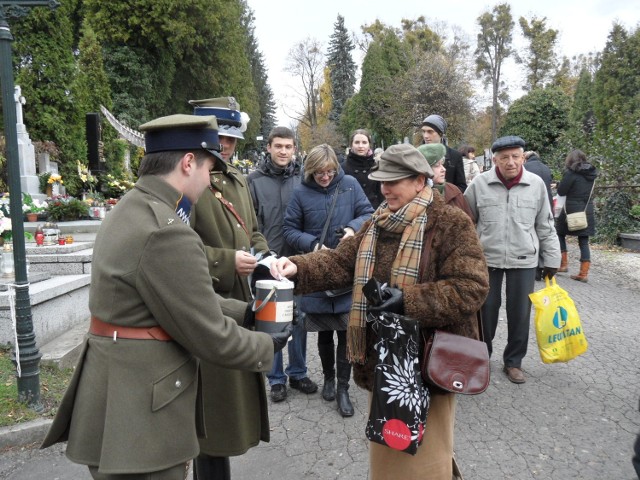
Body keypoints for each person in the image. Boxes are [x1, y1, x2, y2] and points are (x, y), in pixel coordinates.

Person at [40, 114, 292, 480]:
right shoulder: (166, 230)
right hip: (144, 415)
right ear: (188, 162)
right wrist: (268, 346)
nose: (210, 180)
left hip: (116, 395)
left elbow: (171, 297)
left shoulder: (132, 208)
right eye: (209, 168)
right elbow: (207, 333)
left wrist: (246, 313)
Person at [272, 143, 489, 478]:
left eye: (393, 181)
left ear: (420, 181)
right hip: (383, 362)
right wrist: (296, 268)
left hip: (427, 366)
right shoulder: (377, 222)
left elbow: (471, 287)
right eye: (381, 181)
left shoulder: (450, 223)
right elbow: (340, 262)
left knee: (428, 458)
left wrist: (408, 300)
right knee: (390, 453)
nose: (384, 188)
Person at [188, 97, 272, 479]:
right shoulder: (189, 180)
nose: (226, 147)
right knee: (213, 412)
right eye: (220, 138)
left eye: (232, 141)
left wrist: (266, 258)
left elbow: (251, 230)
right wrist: (225, 260)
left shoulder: (237, 180)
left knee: (232, 405)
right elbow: (173, 249)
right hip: (207, 302)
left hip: (240, 298)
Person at [283, 144, 374, 417]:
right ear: (310, 171)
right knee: (324, 331)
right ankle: (329, 379)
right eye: (319, 172)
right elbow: (289, 229)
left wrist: (351, 229)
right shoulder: (300, 192)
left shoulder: (349, 184)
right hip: (318, 270)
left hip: (346, 268)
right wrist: (313, 245)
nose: (325, 177)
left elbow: (368, 213)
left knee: (346, 331)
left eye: (329, 171)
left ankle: (344, 387)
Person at [464, 135, 561, 384]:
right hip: (487, 259)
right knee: (486, 311)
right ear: (494, 159)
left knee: (520, 313)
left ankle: (514, 362)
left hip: (524, 259)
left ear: (523, 157)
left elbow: (546, 224)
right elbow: (465, 222)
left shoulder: (536, 184)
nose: (510, 162)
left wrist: (552, 258)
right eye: (504, 157)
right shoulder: (479, 184)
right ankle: (481, 358)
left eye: (515, 156)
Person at [246, 126, 318, 402]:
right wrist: (261, 256)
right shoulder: (254, 181)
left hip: (297, 260)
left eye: (288, 147)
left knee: (298, 318)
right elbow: (250, 223)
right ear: (269, 148)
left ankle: (298, 372)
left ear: (294, 149)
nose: (284, 151)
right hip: (267, 262)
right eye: (279, 146)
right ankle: (275, 377)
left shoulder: (303, 180)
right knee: (271, 322)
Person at [555, 149, 598, 282]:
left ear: (570, 160)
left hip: (570, 211)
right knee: (584, 241)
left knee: (559, 233)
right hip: (586, 210)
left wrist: (557, 185)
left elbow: (562, 191)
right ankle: (583, 273)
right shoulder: (592, 174)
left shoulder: (571, 173)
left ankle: (563, 265)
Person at [418, 143, 474, 219]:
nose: (443, 169)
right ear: (425, 169)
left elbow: (470, 222)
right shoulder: (415, 196)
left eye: (442, 164)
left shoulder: (454, 191)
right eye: (437, 166)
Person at [523, 150, 555, 281]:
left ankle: (535, 268)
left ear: (526, 158)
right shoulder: (546, 168)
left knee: (532, 236)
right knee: (543, 235)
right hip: (547, 204)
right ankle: (542, 265)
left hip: (529, 205)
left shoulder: (525, 168)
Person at [420, 114, 467, 192]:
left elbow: (462, 187)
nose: (425, 136)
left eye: (430, 132)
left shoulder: (455, 156)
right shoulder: (417, 155)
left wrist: (446, 194)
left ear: (441, 133)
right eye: (423, 131)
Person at [342, 128, 385, 209]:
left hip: (375, 211)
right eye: (357, 142)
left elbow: (382, 194)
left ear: (369, 145)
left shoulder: (377, 167)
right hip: (353, 213)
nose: (360, 146)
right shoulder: (342, 168)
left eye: (364, 142)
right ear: (351, 145)